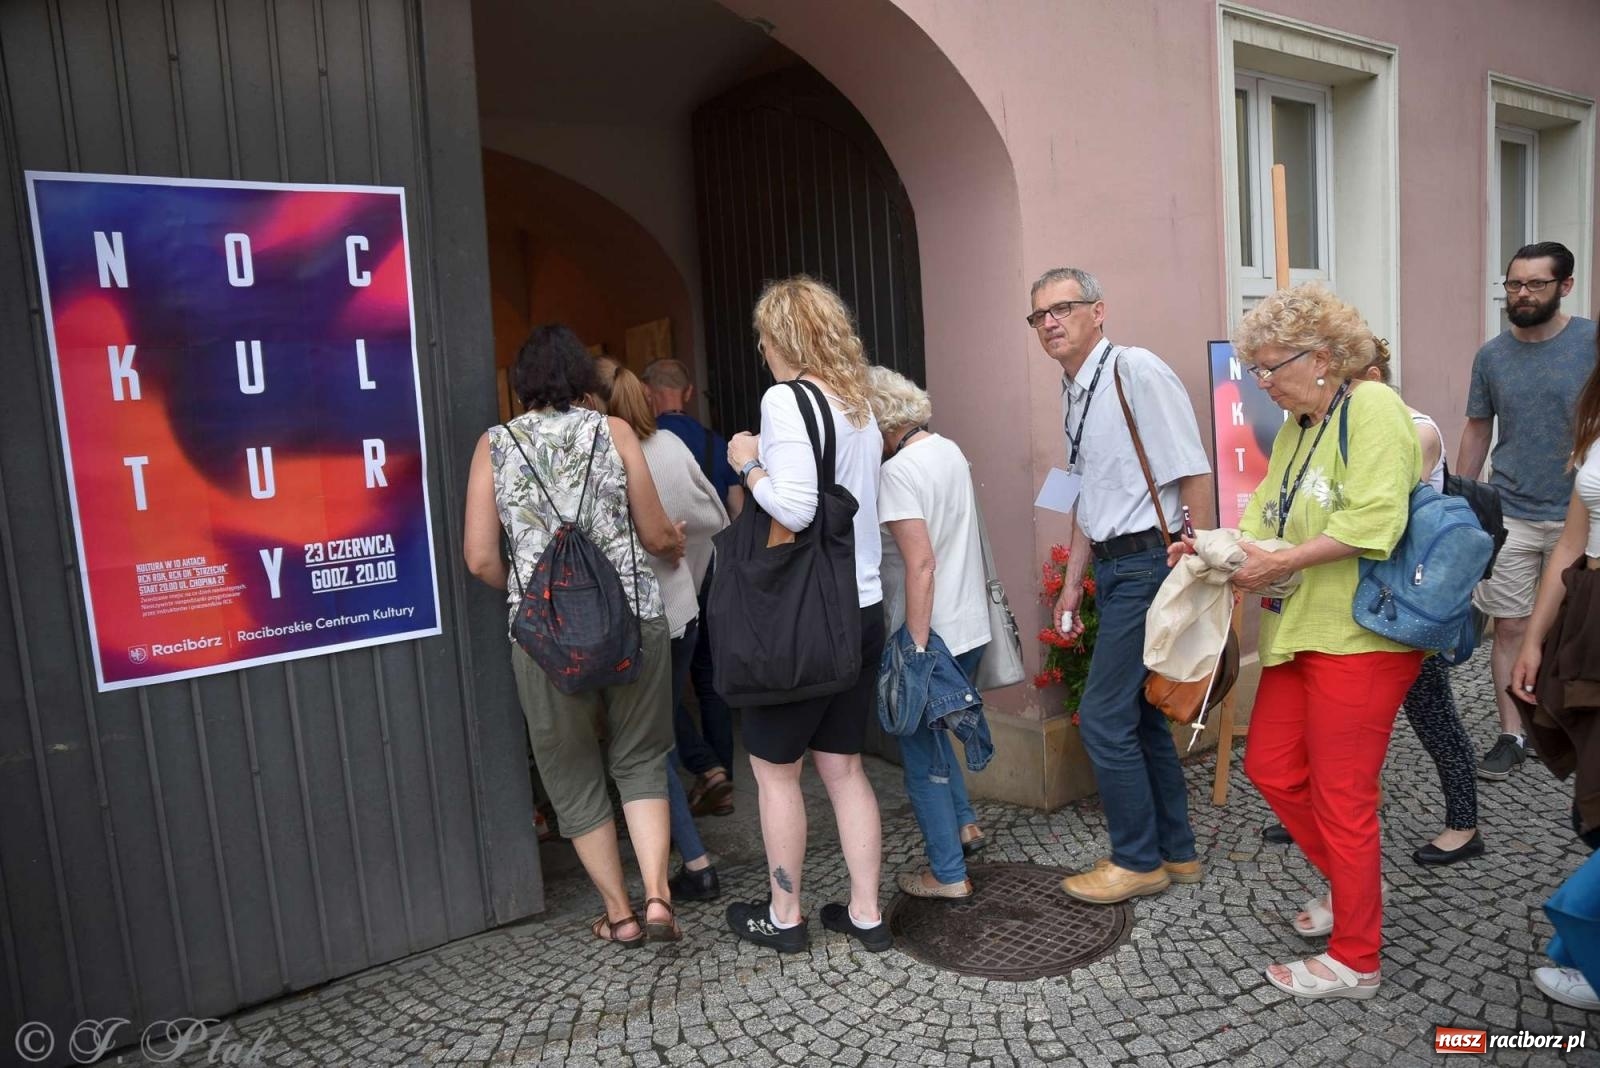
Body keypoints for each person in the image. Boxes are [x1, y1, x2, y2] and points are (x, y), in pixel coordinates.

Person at [1206, 283, 1423, 999]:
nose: (1261, 383)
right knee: (1269, 766)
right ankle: (1352, 886)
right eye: (1255, 370)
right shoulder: (1301, 425)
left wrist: (1280, 561)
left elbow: (1376, 521)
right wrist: (1218, 551)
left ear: (1323, 358)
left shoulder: (1374, 408)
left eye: (1271, 367)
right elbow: (1267, 515)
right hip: (1301, 629)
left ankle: (1356, 958)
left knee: (1343, 796)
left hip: (1363, 635)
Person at [463, 325, 686, 947]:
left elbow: (479, 557)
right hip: (633, 622)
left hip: (543, 641)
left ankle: (619, 916)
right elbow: (653, 529)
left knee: (570, 773)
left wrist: (536, 600)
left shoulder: (494, 446)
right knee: (641, 760)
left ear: (522, 383)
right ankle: (660, 900)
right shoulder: (613, 433)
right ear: (583, 379)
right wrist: (674, 542)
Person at [1029, 267, 1214, 906]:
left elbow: (1192, 472)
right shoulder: (1071, 390)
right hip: (1112, 566)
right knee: (1136, 716)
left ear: (1099, 311)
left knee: (1105, 718)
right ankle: (1176, 852)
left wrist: (1202, 562)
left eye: (1064, 308)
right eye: (1039, 316)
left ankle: (1136, 860)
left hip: (1149, 562)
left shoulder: (1135, 371)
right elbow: (1085, 495)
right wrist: (1072, 586)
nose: (1050, 322)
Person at [719, 275, 890, 953]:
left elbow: (794, 507)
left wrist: (747, 462)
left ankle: (785, 916)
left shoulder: (785, 401)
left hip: (800, 620)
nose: (760, 349)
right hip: (861, 607)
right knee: (844, 768)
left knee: (774, 773)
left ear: (780, 337)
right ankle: (867, 913)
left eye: (762, 337)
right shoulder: (860, 404)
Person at [1457, 241, 1598, 781]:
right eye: (1514, 284)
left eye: (1535, 284)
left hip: (1581, 512)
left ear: (1564, 287)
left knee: (1572, 627)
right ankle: (1513, 733)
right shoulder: (1491, 355)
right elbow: (1477, 426)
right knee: (1510, 625)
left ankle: (1566, 722)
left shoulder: (1591, 343)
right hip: (1510, 509)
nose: (1521, 294)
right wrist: (1461, 499)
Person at [594, 356, 730, 902]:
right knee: (659, 737)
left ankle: (696, 863)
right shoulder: (671, 447)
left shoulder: (600, 456)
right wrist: (677, 545)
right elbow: (717, 517)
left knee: (645, 747)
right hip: (681, 610)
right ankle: (691, 854)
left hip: (634, 623)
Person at [865, 366, 992, 899]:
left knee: (922, 763)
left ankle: (947, 876)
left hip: (930, 634)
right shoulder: (947, 449)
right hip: (970, 626)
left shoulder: (897, 473)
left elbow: (920, 565)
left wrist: (914, 650)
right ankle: (964, 824)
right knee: (938, 741)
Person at [1361, 349, 1483, 865]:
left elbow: (1375, 506)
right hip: (1370, 596)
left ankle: (1464, 824)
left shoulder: (1418, 429)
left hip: (1410, 601)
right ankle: (1342, 805)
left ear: (1370, 377)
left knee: (1431, 713)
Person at [1511, 341, 1600, 1010]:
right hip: (1588, 615)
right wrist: (1534, 640)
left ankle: (1584, 938)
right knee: (1590, 798)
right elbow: (1572, 542)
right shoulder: (1596, 421)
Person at [641, 357, 741, 818]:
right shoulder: (712, 442)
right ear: (686, 393)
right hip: (713, 569)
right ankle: (725, 776)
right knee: (709, 677)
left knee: (661, 686)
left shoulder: (640, 441)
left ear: (646, 391)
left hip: (667, 573)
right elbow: (735, 511)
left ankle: (703, 768)